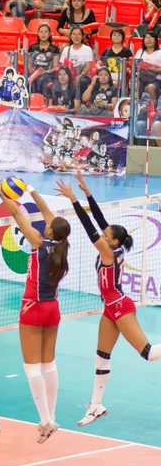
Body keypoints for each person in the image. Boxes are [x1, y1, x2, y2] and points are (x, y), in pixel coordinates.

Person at [55, 172, 161, 426]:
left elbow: (90, 228)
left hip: (120, 306)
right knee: (102, 355)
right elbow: (101, 222)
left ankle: (96, 404)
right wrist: (87, 193)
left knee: (147, 353)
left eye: (106, 235)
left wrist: (73, 200)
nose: (103, 235)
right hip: (110, 309)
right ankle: (96, 405)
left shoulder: (108, 252)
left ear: (111, 241)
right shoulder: (116, 243)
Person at [0, 178, 70, 444]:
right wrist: (31, 189)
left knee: (31, 366)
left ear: (49, 230)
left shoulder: (37, 241)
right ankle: (52, 417)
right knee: (50, 364)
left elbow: (15, 213)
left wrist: (0, 191)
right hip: (53, 309)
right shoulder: (62, 246)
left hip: (32, 308)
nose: (45, 222)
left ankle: (45, 420)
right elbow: (49, 216)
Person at [60, 27, 93, 98]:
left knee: (81, 82)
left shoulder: (87, 49)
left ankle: (79, 104)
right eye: (74, 34)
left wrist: (79, 77)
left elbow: (87, 67)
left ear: (82, 37)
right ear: (70, 36)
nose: (76, 36)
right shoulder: (66, 49)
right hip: (68, 75)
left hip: (83, 75)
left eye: (79, 34)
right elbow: (62, 66)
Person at [28, 23, 60, 94]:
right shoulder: (33, 47)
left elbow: (55, 67)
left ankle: (43, 100)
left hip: (48, 74)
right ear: (38, 34)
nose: (43, 34)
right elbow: (29, 64)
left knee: (43, 79)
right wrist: (33, 71)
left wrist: (46, 72)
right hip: (34, 73)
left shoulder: (54, 48)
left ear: (49, 34)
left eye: (46, 32)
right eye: (41, 32)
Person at [134, 32, 161, 101]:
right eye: (146, 38)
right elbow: (134, 65)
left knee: (150, 87)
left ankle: (153, 106)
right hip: (141, 77)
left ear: (156, 41)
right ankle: (135, 104)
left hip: (156, 79)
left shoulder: (159, 53)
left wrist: (156, 70)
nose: (149, 40)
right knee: (135, 84)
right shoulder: (140, 52)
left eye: (151, 38)